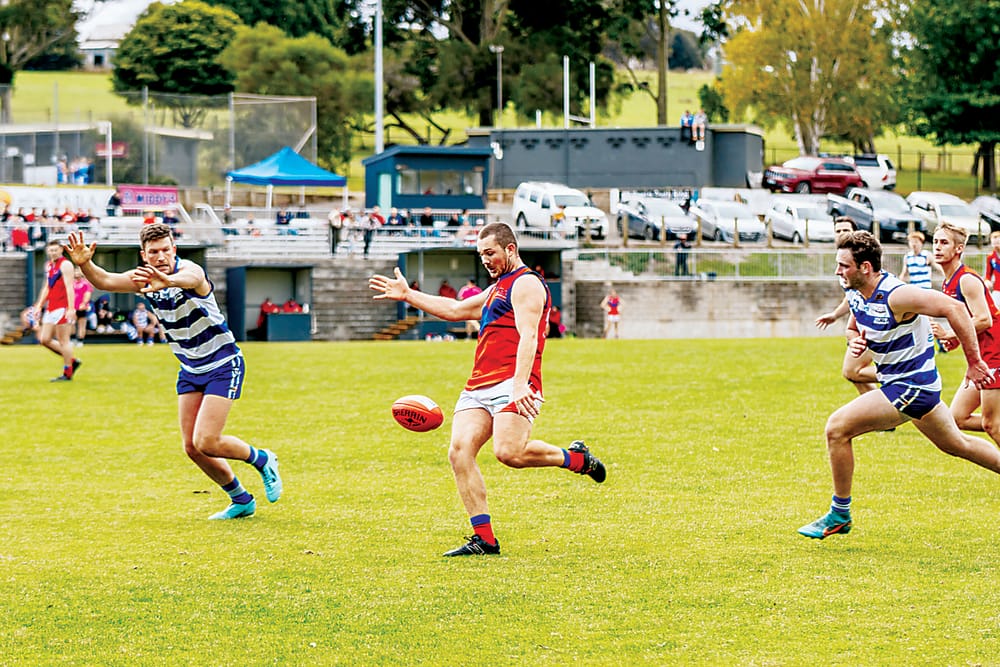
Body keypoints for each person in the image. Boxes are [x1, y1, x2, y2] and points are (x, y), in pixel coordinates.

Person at [369, 222, 607, 556]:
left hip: (514, 383)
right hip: (478, 384)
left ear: (510, 249)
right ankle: (485, 539)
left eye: (490, 253)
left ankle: (575, 458)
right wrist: (409, 295)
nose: (485, 260)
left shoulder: (525, 284)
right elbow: (454, 310)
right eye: (481, 255)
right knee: (459, 451)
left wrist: (520, 384)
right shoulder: (498, 287)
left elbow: (528, 335)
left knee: (509, 453)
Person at [63, 224, 283, 520]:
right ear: (144, 255)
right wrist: (85, 264)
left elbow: (192, 278)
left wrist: (167, 280)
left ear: (174, 250)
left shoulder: (188, 270)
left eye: (166, 250)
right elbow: (105, 281)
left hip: (222, 362)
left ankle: (263, 459)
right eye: (154, 252)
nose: (161, 256)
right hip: (190, 367)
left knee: (207, 440)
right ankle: (241, 500)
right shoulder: (143, 278)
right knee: (192, 447)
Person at [798, 230, 1000, 540]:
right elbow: (854, 328)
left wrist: (974, 363)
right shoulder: (854, 292)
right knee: (958, 444)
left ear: (865, 267)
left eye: (844, 266)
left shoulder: (897, 294)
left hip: (912, 386)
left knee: (836, 428)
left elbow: (955, 309)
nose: (838, 272)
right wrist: (855, 341)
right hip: (906, 386)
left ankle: (839, 514)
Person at [929, 222, 1000, 447]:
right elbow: (964, 322)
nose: (937, 247)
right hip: (981, 356)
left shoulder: (966, 279)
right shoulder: (948, 283)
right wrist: (952, 341)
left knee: (992, 424)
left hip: (995, 352)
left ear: (958, 249)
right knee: (957, 417)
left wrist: (950, 333)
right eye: (935, 242)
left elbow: (983, 319)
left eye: (944, 243)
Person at [815, 217, 879, 397]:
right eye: (838, 231)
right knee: (853, 374)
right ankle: (880, 412)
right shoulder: (842, 266)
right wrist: (835, 315)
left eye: (846, 230)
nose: (841, 234)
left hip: (875, 324)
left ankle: (901, 378)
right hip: (859, 325)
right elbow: (851, 298)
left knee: (852, 371)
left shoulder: (864, 262)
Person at [32, 240, 81, 382]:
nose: (53, 252)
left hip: (62, 306)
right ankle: (72, 360)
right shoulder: (49, 265)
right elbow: (47, 287)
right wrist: (39, 305)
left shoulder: (65, 265)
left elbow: (69, 287)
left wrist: (71, 308)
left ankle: (67, 372)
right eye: (50, 250)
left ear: (61, 250)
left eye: (55, 250)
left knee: (63, 340)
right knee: (44, 339)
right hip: (51, 306)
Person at [72, 266, 94, 345]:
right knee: (72, 323)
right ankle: (73, 339)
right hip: (73, 307)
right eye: (75, 271)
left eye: (78, 271)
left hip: (82, 307)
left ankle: (80, 341)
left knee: (82, 324)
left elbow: (87, 294)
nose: (77, 273)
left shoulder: (85, 283)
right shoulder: (72, 283)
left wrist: (84, 304)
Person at [984, 230, 1000, 305]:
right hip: (997, 289)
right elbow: (988, 275)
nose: (996, 245)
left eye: (998, 243)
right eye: (994, 243)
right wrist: (987, 281)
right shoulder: (990, 257)